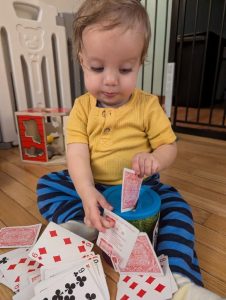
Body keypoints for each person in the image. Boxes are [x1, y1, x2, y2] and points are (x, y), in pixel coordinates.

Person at [36, 1, 223, 299]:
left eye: (124, 69)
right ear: (82, 60)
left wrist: (155, 158)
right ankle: (87, 222)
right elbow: (76, 152)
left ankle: (179, 279)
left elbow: (168, 146)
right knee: (48, 185)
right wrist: (86, 193)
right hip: (95, 187)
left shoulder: (148, 105)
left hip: (142, 191)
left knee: (176, 208)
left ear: (139, 62)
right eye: (98, 68)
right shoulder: (82, 107)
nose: (110, 79)